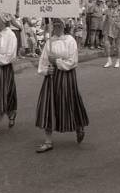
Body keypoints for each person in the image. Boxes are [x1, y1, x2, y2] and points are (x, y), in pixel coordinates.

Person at [35, 18, 89, 153]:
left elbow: (73, 61)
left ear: (64, 26)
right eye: (55, 24)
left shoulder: (70, 41)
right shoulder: (49, 42)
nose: (57, 27)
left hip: (66, 76)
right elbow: (43, 60)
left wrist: (58, 62)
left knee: (69, 102)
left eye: (60, 24)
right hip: (52, 77)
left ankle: (79, 126)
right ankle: (48, 141)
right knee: (49, 104)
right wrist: (47, 69)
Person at [102, 0, 120, 68]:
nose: (113, 3)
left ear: (118, 3)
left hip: (118, 30)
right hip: (109, 29)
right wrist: (103, 29)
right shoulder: (108, 10)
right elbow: (105, 20)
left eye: (115, 2)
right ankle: (109, 61)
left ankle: (118, 61)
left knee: (118, 47)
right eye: (112, 1)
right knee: (107, 45)